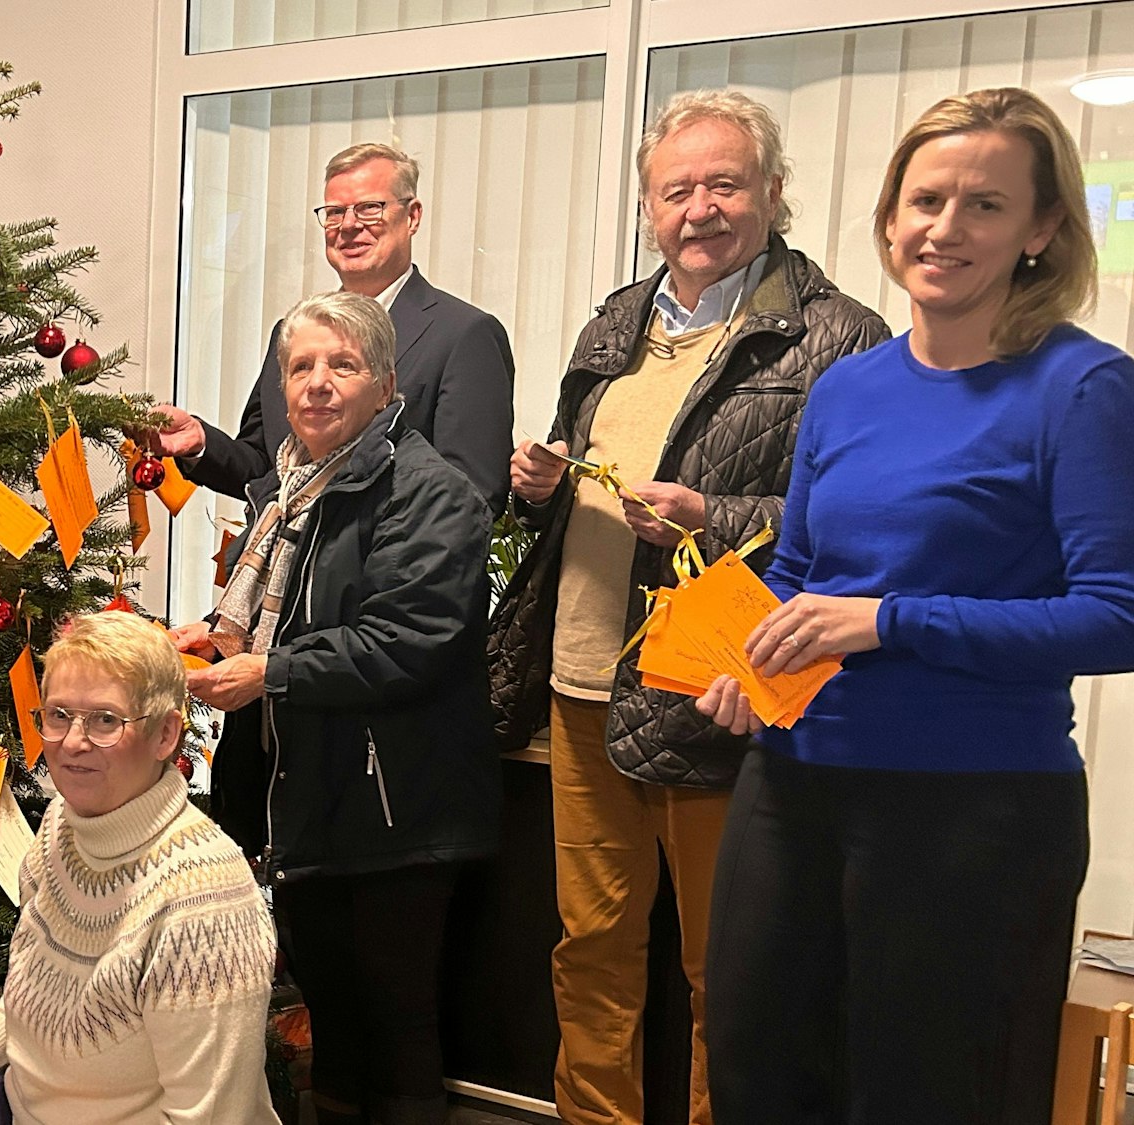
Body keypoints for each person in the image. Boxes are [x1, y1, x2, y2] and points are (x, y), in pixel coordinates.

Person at [694, 87, 1134, 1125]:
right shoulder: (848, 389)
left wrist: (889, 619)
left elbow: (1114, 615)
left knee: (926, 1096)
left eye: (985, 205)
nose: (945, 228)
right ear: (890, 218)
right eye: (925, 200)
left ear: (1041, 229)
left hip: (973, 809)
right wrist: (744, 663)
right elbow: (798, 571)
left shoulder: (1081, 388)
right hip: (792, 783)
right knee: (756, 1076)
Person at [485, 90, 888, 1125]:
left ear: (772, 192)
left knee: (731, 970)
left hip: (716, 693)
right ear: (647, 207)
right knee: (589, 952)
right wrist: (540, 483)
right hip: (580, 683)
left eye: (723, 184)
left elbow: (853, 524)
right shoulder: (615, 320)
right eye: (675, 190)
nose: (698, 208)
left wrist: (712, 515)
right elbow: (577, 471)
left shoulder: (841, 335)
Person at [176, 290, 495, 1125]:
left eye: (342, 365)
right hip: (304, 798)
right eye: (301, 366)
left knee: (398, 1021)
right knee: (332, 1014)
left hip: (396, 808)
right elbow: (280, 613)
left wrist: (267, 671)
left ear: (385, 386)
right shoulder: (284, 491)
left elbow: (408, 640)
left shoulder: (432, 493)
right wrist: (215, 636)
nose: (317, 382)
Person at [0, 611, 278, 1125]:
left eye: (106, 720)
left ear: (165, 734)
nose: (73, 742)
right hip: (26, 1101)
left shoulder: (204, 902)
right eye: (59, 715)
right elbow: (38, 983)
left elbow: (210, 1118)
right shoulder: (63, 823)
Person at [150, 142, 514, 512]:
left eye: (370, 208)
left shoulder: (465, 336)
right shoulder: (293, 333)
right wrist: (200, 444)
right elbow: (266, 469)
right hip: (282, 549)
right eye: (336, 212)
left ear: (412, 217)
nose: (349, 225)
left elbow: (472, 497)